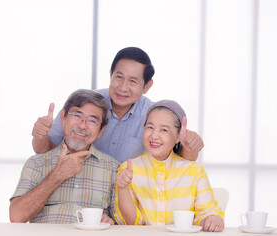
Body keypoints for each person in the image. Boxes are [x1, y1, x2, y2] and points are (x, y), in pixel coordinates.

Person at [31, 47, 204, 163]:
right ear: (110, 74)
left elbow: (180, 162)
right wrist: (40, 136)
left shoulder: (154, 115)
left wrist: (191, 147)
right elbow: (44, 151)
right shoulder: (85, 103)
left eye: (133, 81)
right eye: (119, 77)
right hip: (84, 188)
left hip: (129, 195)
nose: (123, 87)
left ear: (147, 86)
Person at [10, 89, 120, 224]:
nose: (82, 125)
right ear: (63, 117)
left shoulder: (113, 168)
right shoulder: (37, 163)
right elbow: (16, 217)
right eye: (77, 115)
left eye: (92, 120)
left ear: (101, 130)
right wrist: (58, 175)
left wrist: (111, 222)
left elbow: (123, 222)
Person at [114, 100, 224, 232]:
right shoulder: (128, 168)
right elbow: (131, 222)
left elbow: (207, 212)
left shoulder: (194, 170)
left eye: (164, 130)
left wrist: (212, 219)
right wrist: (123, 188)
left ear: (178, 137)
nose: (154, 135)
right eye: (150, 127)